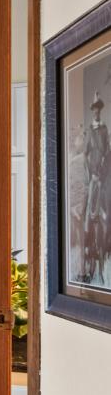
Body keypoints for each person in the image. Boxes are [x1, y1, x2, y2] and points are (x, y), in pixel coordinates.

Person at [86, 93, 110, 282]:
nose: (96, 112)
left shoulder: (103, 129)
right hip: (93, 176)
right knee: (90, 212)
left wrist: (102, 172)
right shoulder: (90, 131)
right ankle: (89, 253)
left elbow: (106, 151)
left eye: (98, 110)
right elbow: (87, 154)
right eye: (94, 109)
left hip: (102, 175)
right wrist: (92, 174)